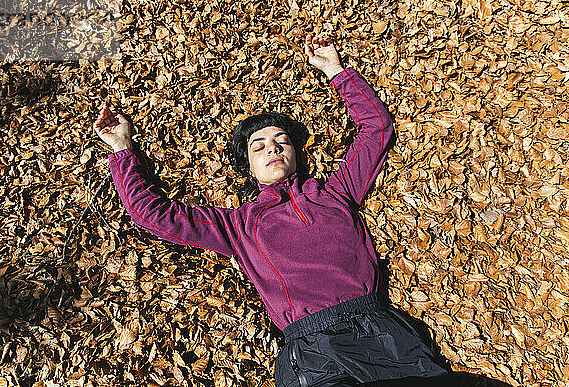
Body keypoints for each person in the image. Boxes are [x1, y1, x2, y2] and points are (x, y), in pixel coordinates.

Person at [94, 33, 448, 386]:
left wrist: (337, 71)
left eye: (282, 141)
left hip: (381, 333)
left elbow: (376, 130)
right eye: (259, 146)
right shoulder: (237, 225)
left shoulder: (337, 194)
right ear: (248, 167)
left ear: (297, 154)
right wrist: (122, 148)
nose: (273, 149)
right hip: (312, 352)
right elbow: (155, 215)